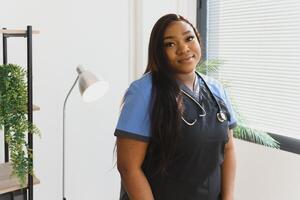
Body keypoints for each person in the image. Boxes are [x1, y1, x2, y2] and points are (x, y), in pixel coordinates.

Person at [114, 13, 237, 200]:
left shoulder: (216, 89)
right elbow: (128, 167)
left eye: (189, 38)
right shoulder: (143, 92)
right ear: (158, 52)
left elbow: (228, 150)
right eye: (170, 44)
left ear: (198, 39)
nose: (183, 49)